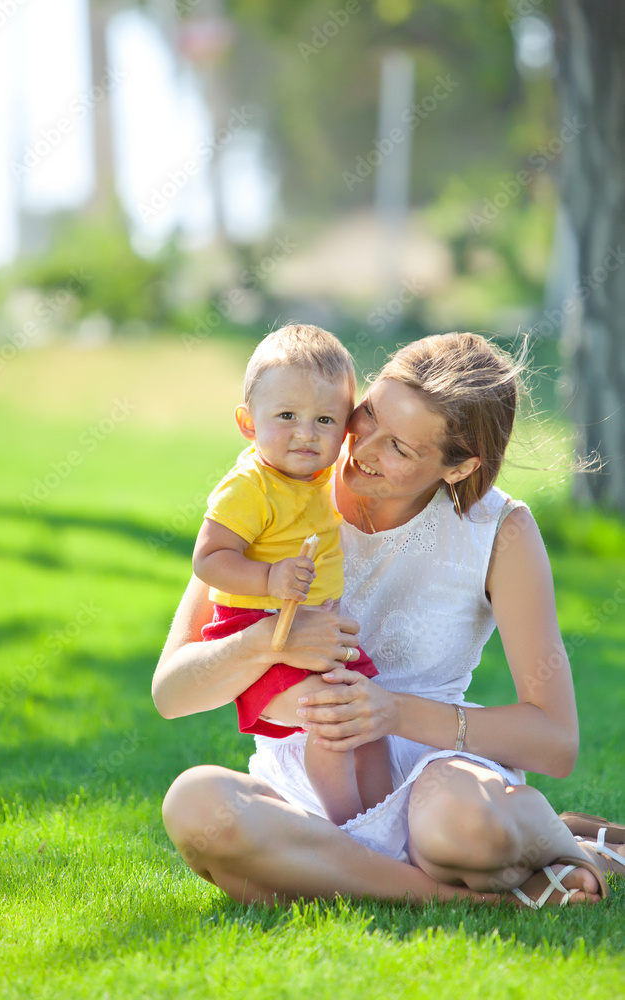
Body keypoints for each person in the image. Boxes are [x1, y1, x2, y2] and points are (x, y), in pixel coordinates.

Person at [153, 331, 624, 908]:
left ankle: (548, 840)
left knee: (462, 829)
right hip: (312, 774)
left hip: (438, 775)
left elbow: (556, 741)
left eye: (399, 447)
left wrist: (391, 712)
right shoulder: (277, 483)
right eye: (368, 413)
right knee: (193, 804)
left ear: (459, 467)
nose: (361, 447)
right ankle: (473, 899)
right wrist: (270, 643)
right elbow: (172, 692)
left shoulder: (501, 530)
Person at [192, 325, 393, 824]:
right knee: (333, 720)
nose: (306, 433)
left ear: (345, 428)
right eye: (286, 416)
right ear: (247, 422)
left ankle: (385, 821)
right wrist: (269, 579)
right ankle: (350, 832)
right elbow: (209, 559)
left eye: (325, 419)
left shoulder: (321, 473)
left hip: (319, 633)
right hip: (258, 626)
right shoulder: (249, 487)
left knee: (369, 722)